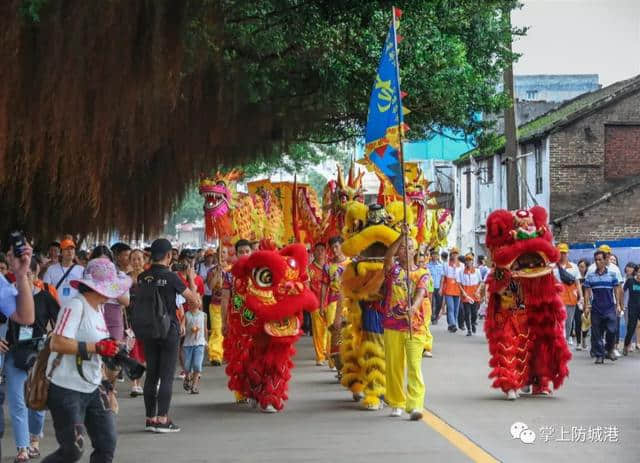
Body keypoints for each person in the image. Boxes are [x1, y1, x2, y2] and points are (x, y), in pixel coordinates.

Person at [43, 258, 131, 463]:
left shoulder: (99, 308)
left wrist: (113, 351)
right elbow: (57, 343)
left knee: (107, 443)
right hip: (66, 388)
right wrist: (96, 347)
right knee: (72, 451)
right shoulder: (75, 306)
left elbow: (96, 344)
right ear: (98, 289)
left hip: (92, 386)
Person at [138, 239, 201, 433]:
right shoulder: (172, 277)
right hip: (168, 330)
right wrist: (190, 278)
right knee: (166, 375)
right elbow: (195, 301)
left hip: (148, 330)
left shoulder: (142, 277)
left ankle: (150, 418)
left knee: (151, 375)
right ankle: (163, 419)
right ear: (169, 256)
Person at [3, 258, 59, 461]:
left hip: (39, 354)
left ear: (35, 275)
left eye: (28, 274)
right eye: (20, 274)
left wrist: (53, 340)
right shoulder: (7, 296)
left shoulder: (44, 297)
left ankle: (35, 439)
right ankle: (22, 447)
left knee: (37, 398)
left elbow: (60, 321)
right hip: (13, 353)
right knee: (17, 401)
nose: (23, 278)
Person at [382, 231, 427, 421]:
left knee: (414, 366)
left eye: (410, 248)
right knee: (394, 366)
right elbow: (387, 257)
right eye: (403, 247)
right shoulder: (393, 271)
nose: (406, 251)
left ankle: (415, 404)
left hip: (414, 326)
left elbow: (421, 292)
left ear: (415, 251)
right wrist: (401, 236)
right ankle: (396, 402)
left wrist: (413, 307)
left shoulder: (422, 272)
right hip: (393, 324)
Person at [583, 250, 623, 364]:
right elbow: (586, 291)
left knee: (612, 330)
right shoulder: (591, 276)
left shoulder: (612, 275)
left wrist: (619, 305)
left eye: (600, 259)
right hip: (596, 308)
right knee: (596, 333)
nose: (598, 262)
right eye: (596, 260)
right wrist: (586, 306)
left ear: (605, 260)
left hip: (610, 308)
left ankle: (609, 349)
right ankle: (600, 355)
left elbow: (617, 290)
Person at [320, 236, 350, 371]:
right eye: (332, 248)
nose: (334, 250)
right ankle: (334, 360)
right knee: (333, 329)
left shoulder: (351, 263)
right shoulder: (327, 266)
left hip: (349, 301)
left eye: (337, 247)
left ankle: (349, 357)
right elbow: (324, 286)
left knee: (349, 329)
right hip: (333, 301)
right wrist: (322, 304)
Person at [174, 249, 205, 379]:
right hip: (180, 313)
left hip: (194, 315)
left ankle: (195, 369)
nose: (189, 262)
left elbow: (199, 298)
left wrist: (201, 317)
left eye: (192, 259)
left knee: (196, 341)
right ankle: (185, 369)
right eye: (186, 259)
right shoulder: (175, 276)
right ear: (180, 260)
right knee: (182, 343)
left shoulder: (198, 279)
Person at [552, 243, 582, 346]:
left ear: (567, 253)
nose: (562, 255)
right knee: (557, 322)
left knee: (569, 322)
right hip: (557, 299)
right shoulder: (552, 267)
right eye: (560, 252)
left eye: (564, 253)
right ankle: (558, 341)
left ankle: (565, 339)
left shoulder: (573, 267)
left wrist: (581, 297)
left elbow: (578, 283)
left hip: (570, 299)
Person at [206, 246, 231, 366]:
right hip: (215, 305)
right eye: (220, 253)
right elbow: (210, 287)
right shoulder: (211, 271)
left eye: (224, 252)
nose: (222, 255)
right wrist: (218, 273)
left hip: (230, 306)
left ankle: (229, 354)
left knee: (229, 331)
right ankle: (215, 355)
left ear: (228, 255)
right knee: (217, 331)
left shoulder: (233, 270)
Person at [42, 238, 84, 309]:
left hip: (75, 309)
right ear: (61, 252)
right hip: (56, 308)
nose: (70, 251)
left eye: (72, 249)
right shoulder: (51, 269)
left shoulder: (81, 270)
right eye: (66, 249)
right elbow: (45, 290)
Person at [127, 249, 146, 396]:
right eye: (134, 259)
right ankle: (135, 383)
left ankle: (149, 381)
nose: (137, 262)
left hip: (147, 319)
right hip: (130, 320)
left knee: (145, 350)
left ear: (144, 260)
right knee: (133, 351)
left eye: (139, 259)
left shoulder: (149, 277)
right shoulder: (125, 279)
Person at [308, 242, 327, 365]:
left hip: (330, 303)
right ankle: (320, 356)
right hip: (315, 304)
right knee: (318, 331)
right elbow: (307, 287)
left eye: (322, 250)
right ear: (313, 252)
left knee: (329, 330)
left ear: (326, 252)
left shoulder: (330, 267)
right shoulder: (309, 269)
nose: (320, 252)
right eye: (317, 250)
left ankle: (329, 353)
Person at [182, 302, 208, 394]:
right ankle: (187, 377)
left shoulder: (203, 315)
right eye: (192, 302)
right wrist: (184, 329)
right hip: (188, 344)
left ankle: (194, 386)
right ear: (189, 304)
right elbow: (182, 326)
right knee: (187, 366)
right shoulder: (186, 315)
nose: (195, 303)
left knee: (197, 365)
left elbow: (205, 329)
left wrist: (206, 341)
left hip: (199, 344)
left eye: (197, 301)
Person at [457, 253, 484, 336]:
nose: (469, 262)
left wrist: (478, 291)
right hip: (466, 296)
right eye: (467, 260)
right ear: (465, 262)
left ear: (472, 261)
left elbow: (481, 282)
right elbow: (459, 283)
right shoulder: (461, 272)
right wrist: (463, 292)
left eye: (470, 260)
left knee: (474, 313)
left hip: (474, 295)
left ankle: (473, 324)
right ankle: (469, 330)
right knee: (467, 313)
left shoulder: (477, 271)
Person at [441, 247, 462, 333]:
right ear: (451, 255)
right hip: (448, 289)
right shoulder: (446, 264)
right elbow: (443, 277)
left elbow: (462, 278)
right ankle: (453, 324)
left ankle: (452, 324)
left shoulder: (462, 265)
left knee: (456, 309)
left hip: (458, 289)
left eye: (456, 253)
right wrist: (440, 288)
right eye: (453, 253)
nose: (455, 255)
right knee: (450, 308)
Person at [622, 264, 639, 356]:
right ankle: (626, 345)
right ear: (636, 272)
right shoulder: (630, 281)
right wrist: (620, 304)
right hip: (633, 308)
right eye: (639, 272)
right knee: (631, 328)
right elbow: (622, 291)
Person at [197, 248, 216, 327]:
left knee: (211, 311)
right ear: (205, 257)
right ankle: (204, 327)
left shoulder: (215, 267)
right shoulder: (199, 266)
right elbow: (197, 279)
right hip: (202, 293)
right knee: (203, 311)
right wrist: (205, 280)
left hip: (212, 294)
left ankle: (210, 326)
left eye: (211, 257)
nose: (210, 259)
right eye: (208, 256)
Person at [575, 258, 590, 351]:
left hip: (587, 302)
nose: (580, 268)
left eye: (582, 267)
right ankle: (578, 343)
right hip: (576, 302)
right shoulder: (575, 278)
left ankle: (584, 339)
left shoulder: (589, 278)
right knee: (578, 322)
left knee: (586, 321)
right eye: (579, 266)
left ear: (586, 268)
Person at [428, 251, 445, 324]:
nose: (435, 256)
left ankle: (436, 315)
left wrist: (441, 288)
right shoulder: (428, 266)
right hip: (430, 287)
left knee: (439, 303)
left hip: (438, 287)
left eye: (436, 255)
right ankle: (432, 316)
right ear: (431, 256)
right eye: (433, 255)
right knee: (431, 303)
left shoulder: (441, 266)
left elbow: (442, 277)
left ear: (438, 256)